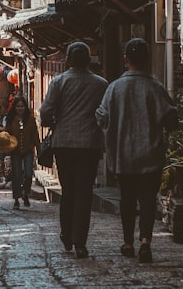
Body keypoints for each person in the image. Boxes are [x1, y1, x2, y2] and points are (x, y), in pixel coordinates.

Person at [96, 38, 179, 264]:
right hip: (150, 154)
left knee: (128, 199)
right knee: (148, 200)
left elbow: (101, 117)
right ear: (147, 59)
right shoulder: (155, 88)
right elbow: (171, 118)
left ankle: (127, 242)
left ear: (126, 60)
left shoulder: (114, 88)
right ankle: (145, 242)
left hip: (123, 155)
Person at [39, 41, 108, 258]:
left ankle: (66, 235)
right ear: (89, 60)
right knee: (84, 192)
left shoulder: (59, 82)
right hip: (89, 144)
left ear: (68, 59)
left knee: (68, 190)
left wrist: (55, 122)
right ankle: (80, 242)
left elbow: (45, 111)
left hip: (64, 143)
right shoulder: (100, 84)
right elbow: (104, 114)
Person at [5, 92, 38, 209]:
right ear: (15, 107)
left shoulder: (30, 120)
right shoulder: (11, 120)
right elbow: (6, 135)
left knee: (28, 173)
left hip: (28, 150)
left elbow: (35, 134)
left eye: (22, 106)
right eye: (18, 106)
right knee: (17, 175)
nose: (20, 108)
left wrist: (38, 148)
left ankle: (26, 193)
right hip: (15, 151)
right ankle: (16, 199)